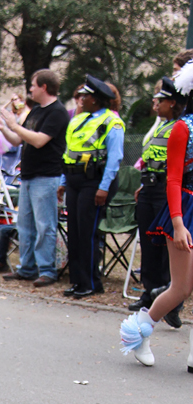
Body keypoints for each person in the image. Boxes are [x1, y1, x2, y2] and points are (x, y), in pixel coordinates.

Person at [120, 61, 193, 371]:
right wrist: (177, 223)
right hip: (186, 210)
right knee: (180, 288)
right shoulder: (183, 127)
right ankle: (138, 331)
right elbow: (174, 179)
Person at [0, 68, 69, 286]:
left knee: (45, 225)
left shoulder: (57, 112)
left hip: (46, 176)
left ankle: (47, 270)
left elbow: (39, 140)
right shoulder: (35, 111)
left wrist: (14, 124)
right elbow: (18, 140)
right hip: (28, 176)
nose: (30, 89)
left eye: (33, 85)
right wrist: (4, 127)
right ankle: (27, 267)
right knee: (25, 224)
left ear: (44, 86)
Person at [58, 75, 125, 298]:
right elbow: (69, 153)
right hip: (75, 180)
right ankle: (78, 281)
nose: (80, 98)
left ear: (95, 100)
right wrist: (63, 182)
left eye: (85, 96)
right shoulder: (77, 120)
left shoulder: (111, 122)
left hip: (94, 182)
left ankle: (90, 283)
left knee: (87, 232)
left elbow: (115, 159)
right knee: (74, 232)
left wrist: (104, 188)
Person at [129, 77, 185, 325]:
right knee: (149, 242)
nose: (155, 104)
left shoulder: (181, 126)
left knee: (166, 246)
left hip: (165, 188)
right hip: (150, 186)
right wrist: (143, 184)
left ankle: (167, 296)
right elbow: (149, 157)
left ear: (173, 103)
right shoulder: (161, 126)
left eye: (161, 100)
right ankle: (148, 292)